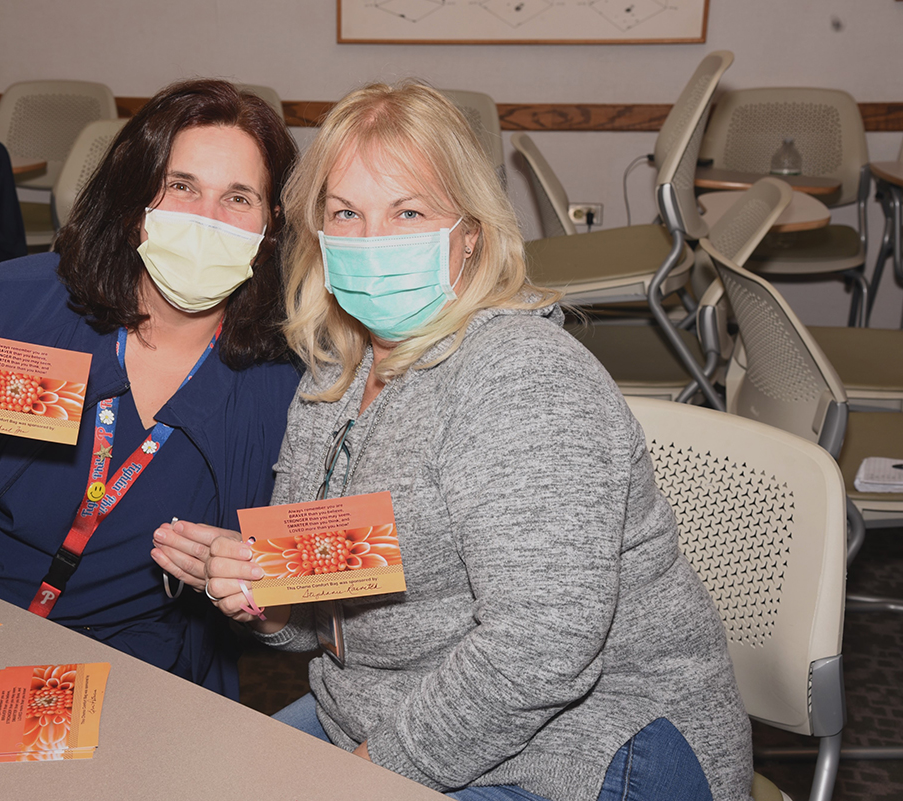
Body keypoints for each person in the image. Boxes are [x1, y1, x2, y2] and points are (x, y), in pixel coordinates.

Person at [171, 82, 752, 800]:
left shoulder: (523, 375)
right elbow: (328, 615)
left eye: (408, 212)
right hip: (385, 709)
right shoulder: (332, 375)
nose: (373, 240)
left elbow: (543, 647)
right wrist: (262, 595)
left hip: (598, 744)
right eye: (346, 213)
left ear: (469, 232)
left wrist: (371, 770)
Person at [0, 79, 300, 700]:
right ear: (134, 203)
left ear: (270, 229)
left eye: (238, 198)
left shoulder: (284, 382)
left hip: (121, 655)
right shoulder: (16, 304)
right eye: (180, 186)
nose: (205, 220)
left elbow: (290, 615)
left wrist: (258, 590)